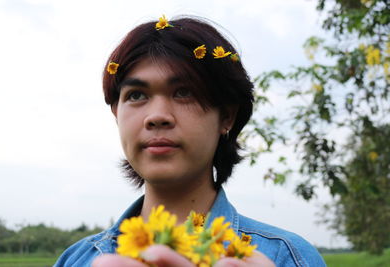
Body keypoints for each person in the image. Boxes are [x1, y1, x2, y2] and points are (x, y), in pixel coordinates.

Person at [54, 15, 326, 267]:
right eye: (136, 95)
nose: (157, 116)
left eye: (184, 92)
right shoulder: (77, 260)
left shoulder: (287, 258)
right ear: (116, 114)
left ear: (227, 117)